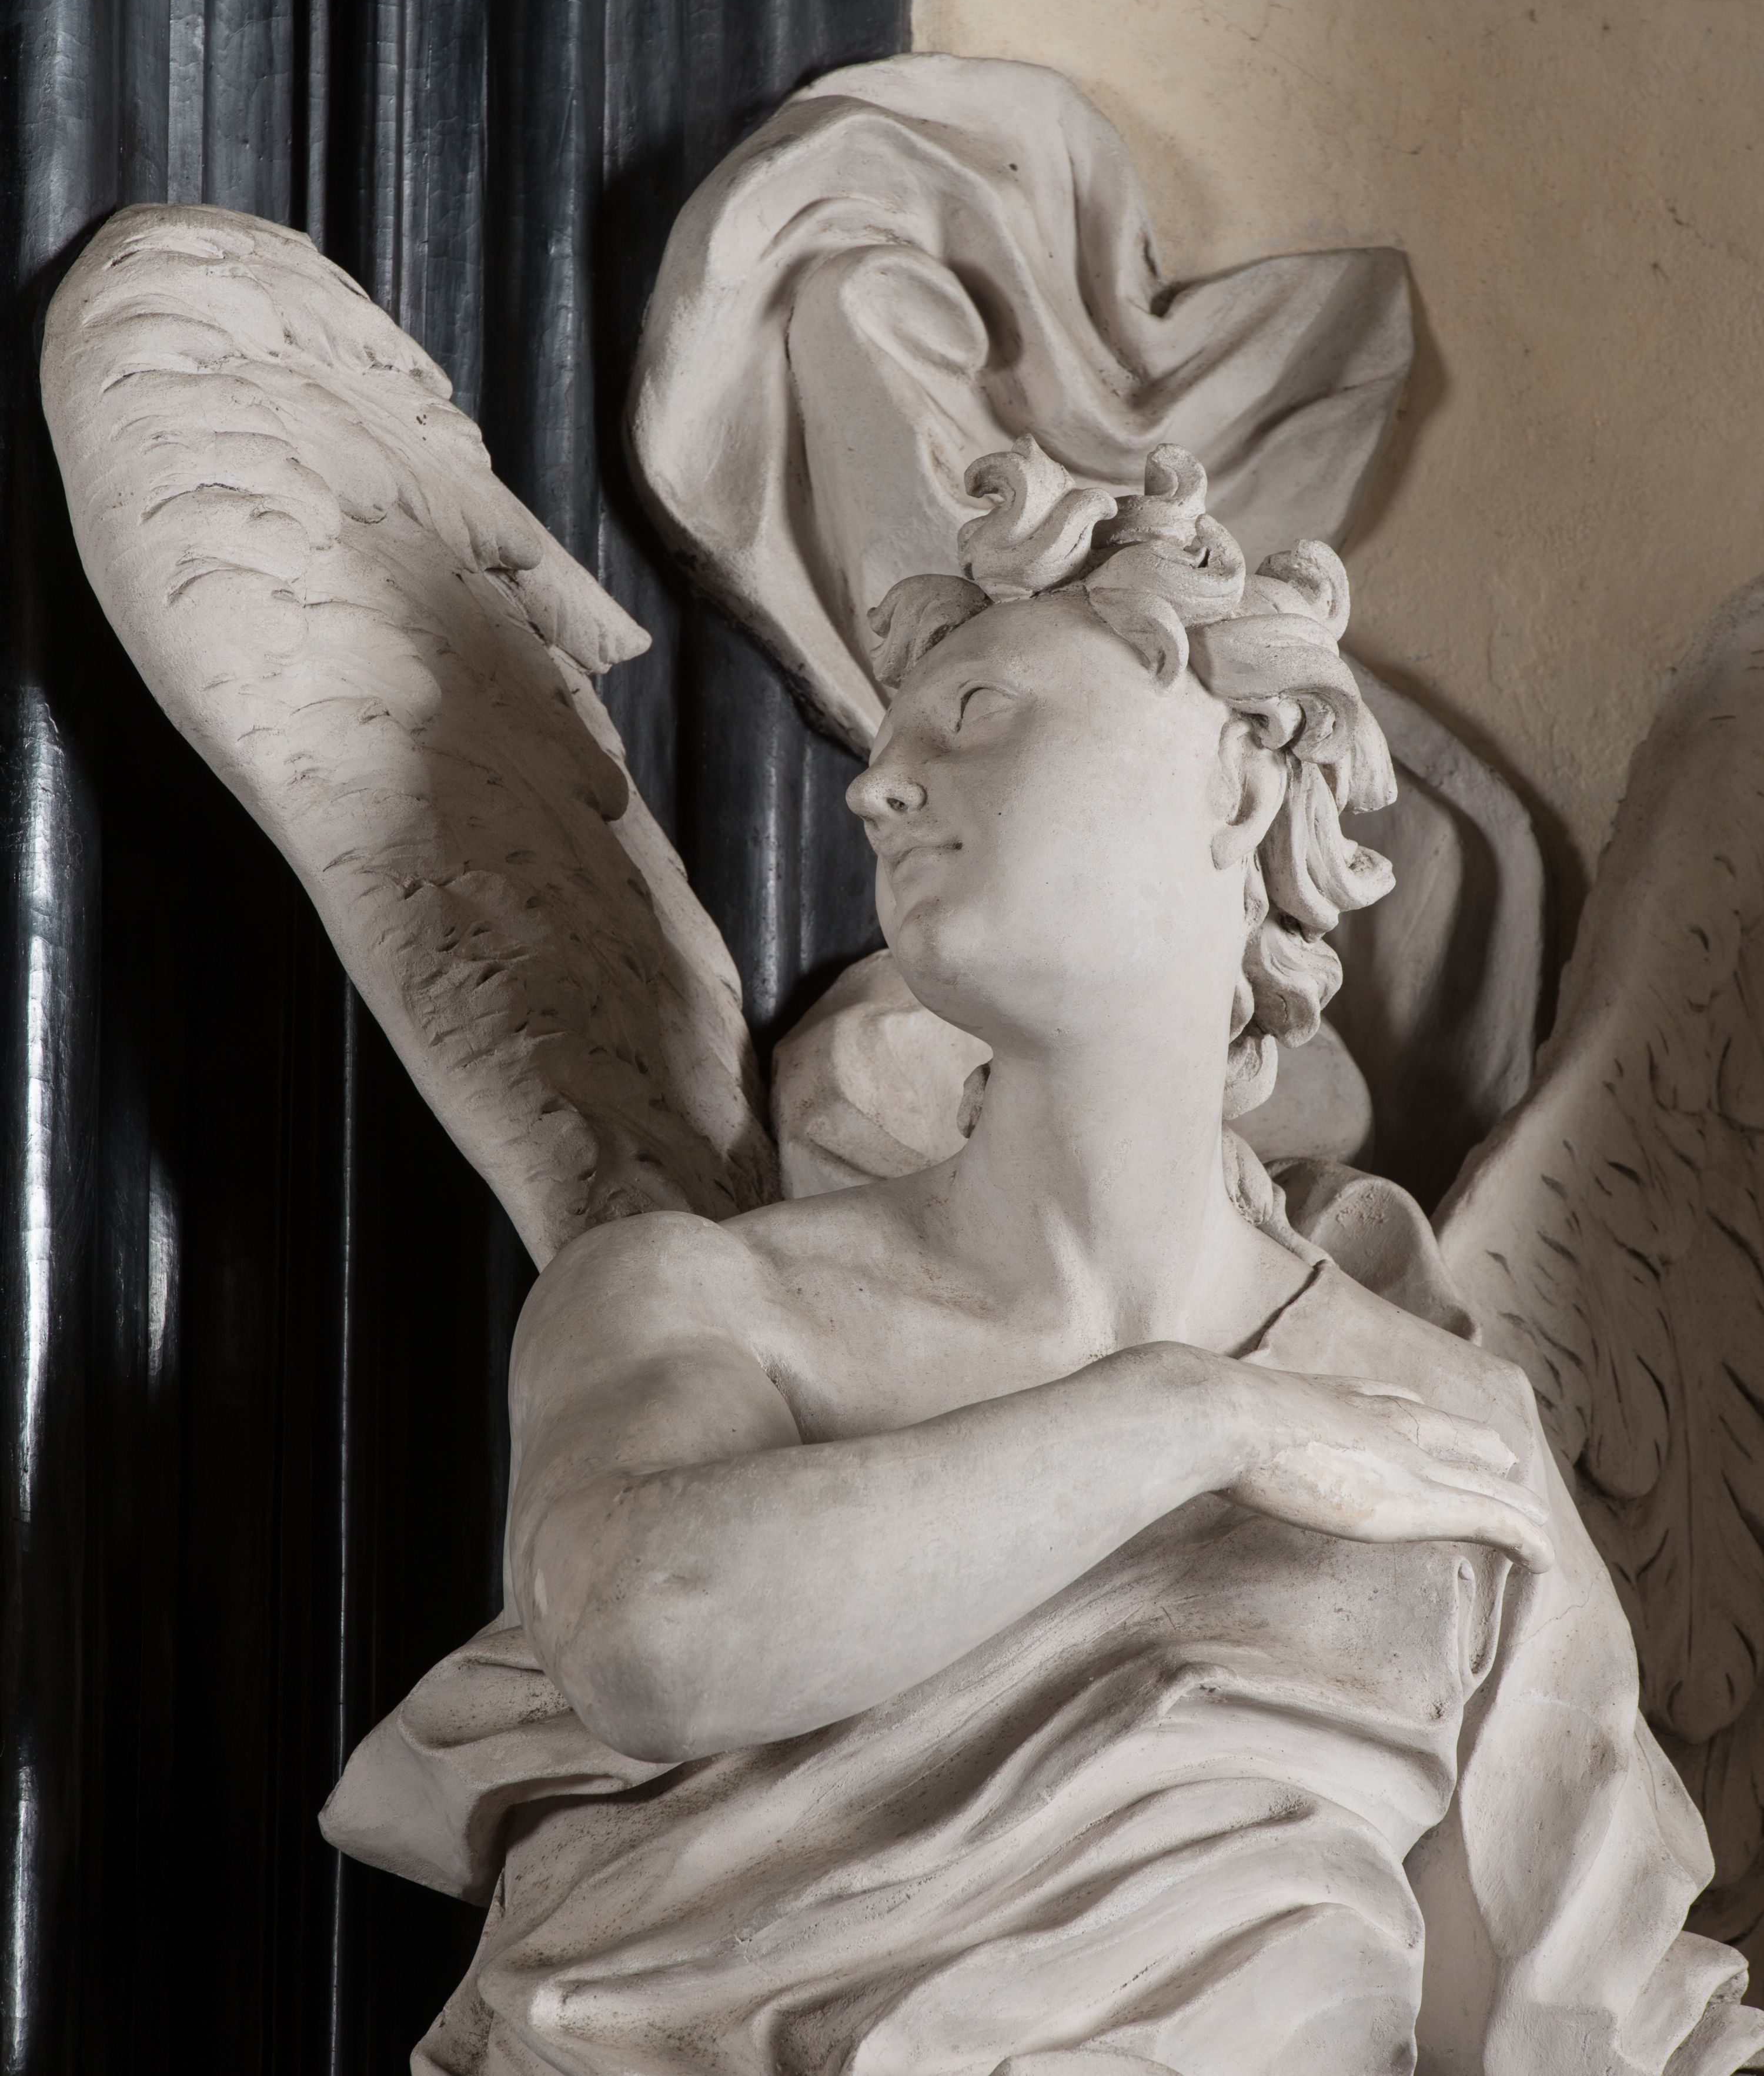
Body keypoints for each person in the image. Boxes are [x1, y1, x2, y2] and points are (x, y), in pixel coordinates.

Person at [325, 441, 1764, 2076]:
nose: (878, 788)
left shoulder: (1451, 1440)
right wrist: (1204, 1419)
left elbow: (1574, 2024)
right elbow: (648, 1632)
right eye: (884, 745)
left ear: (1234, 788)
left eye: (976, 714)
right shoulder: (703, 1303)